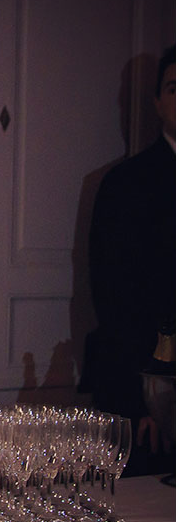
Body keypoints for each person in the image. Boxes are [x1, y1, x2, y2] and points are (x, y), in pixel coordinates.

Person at [85, 46, 175, 476]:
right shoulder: (126, 184)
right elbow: (112, 294)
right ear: (158, 101)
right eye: (176, 88)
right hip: (149, 392)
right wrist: (144, 401)